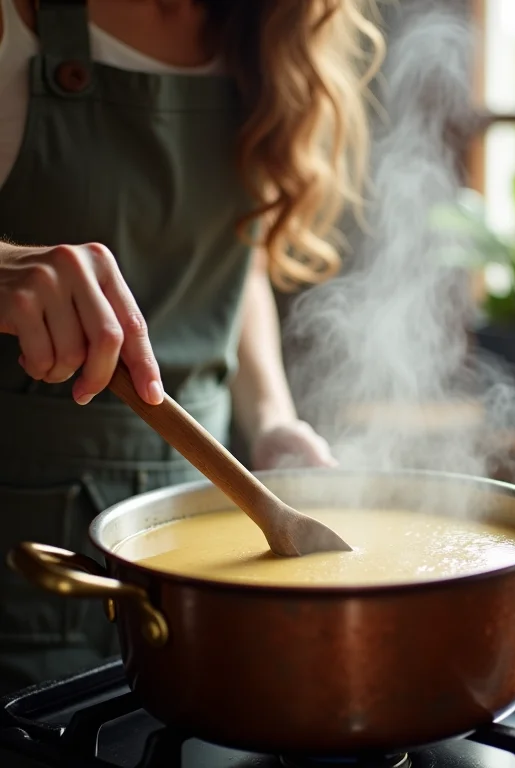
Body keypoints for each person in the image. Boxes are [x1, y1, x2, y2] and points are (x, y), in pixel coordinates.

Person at [0, 0, 383, 694]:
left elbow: (234, 267)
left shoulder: (266, 31)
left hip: (204, 518)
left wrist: (270, 421)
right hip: (22, 551)